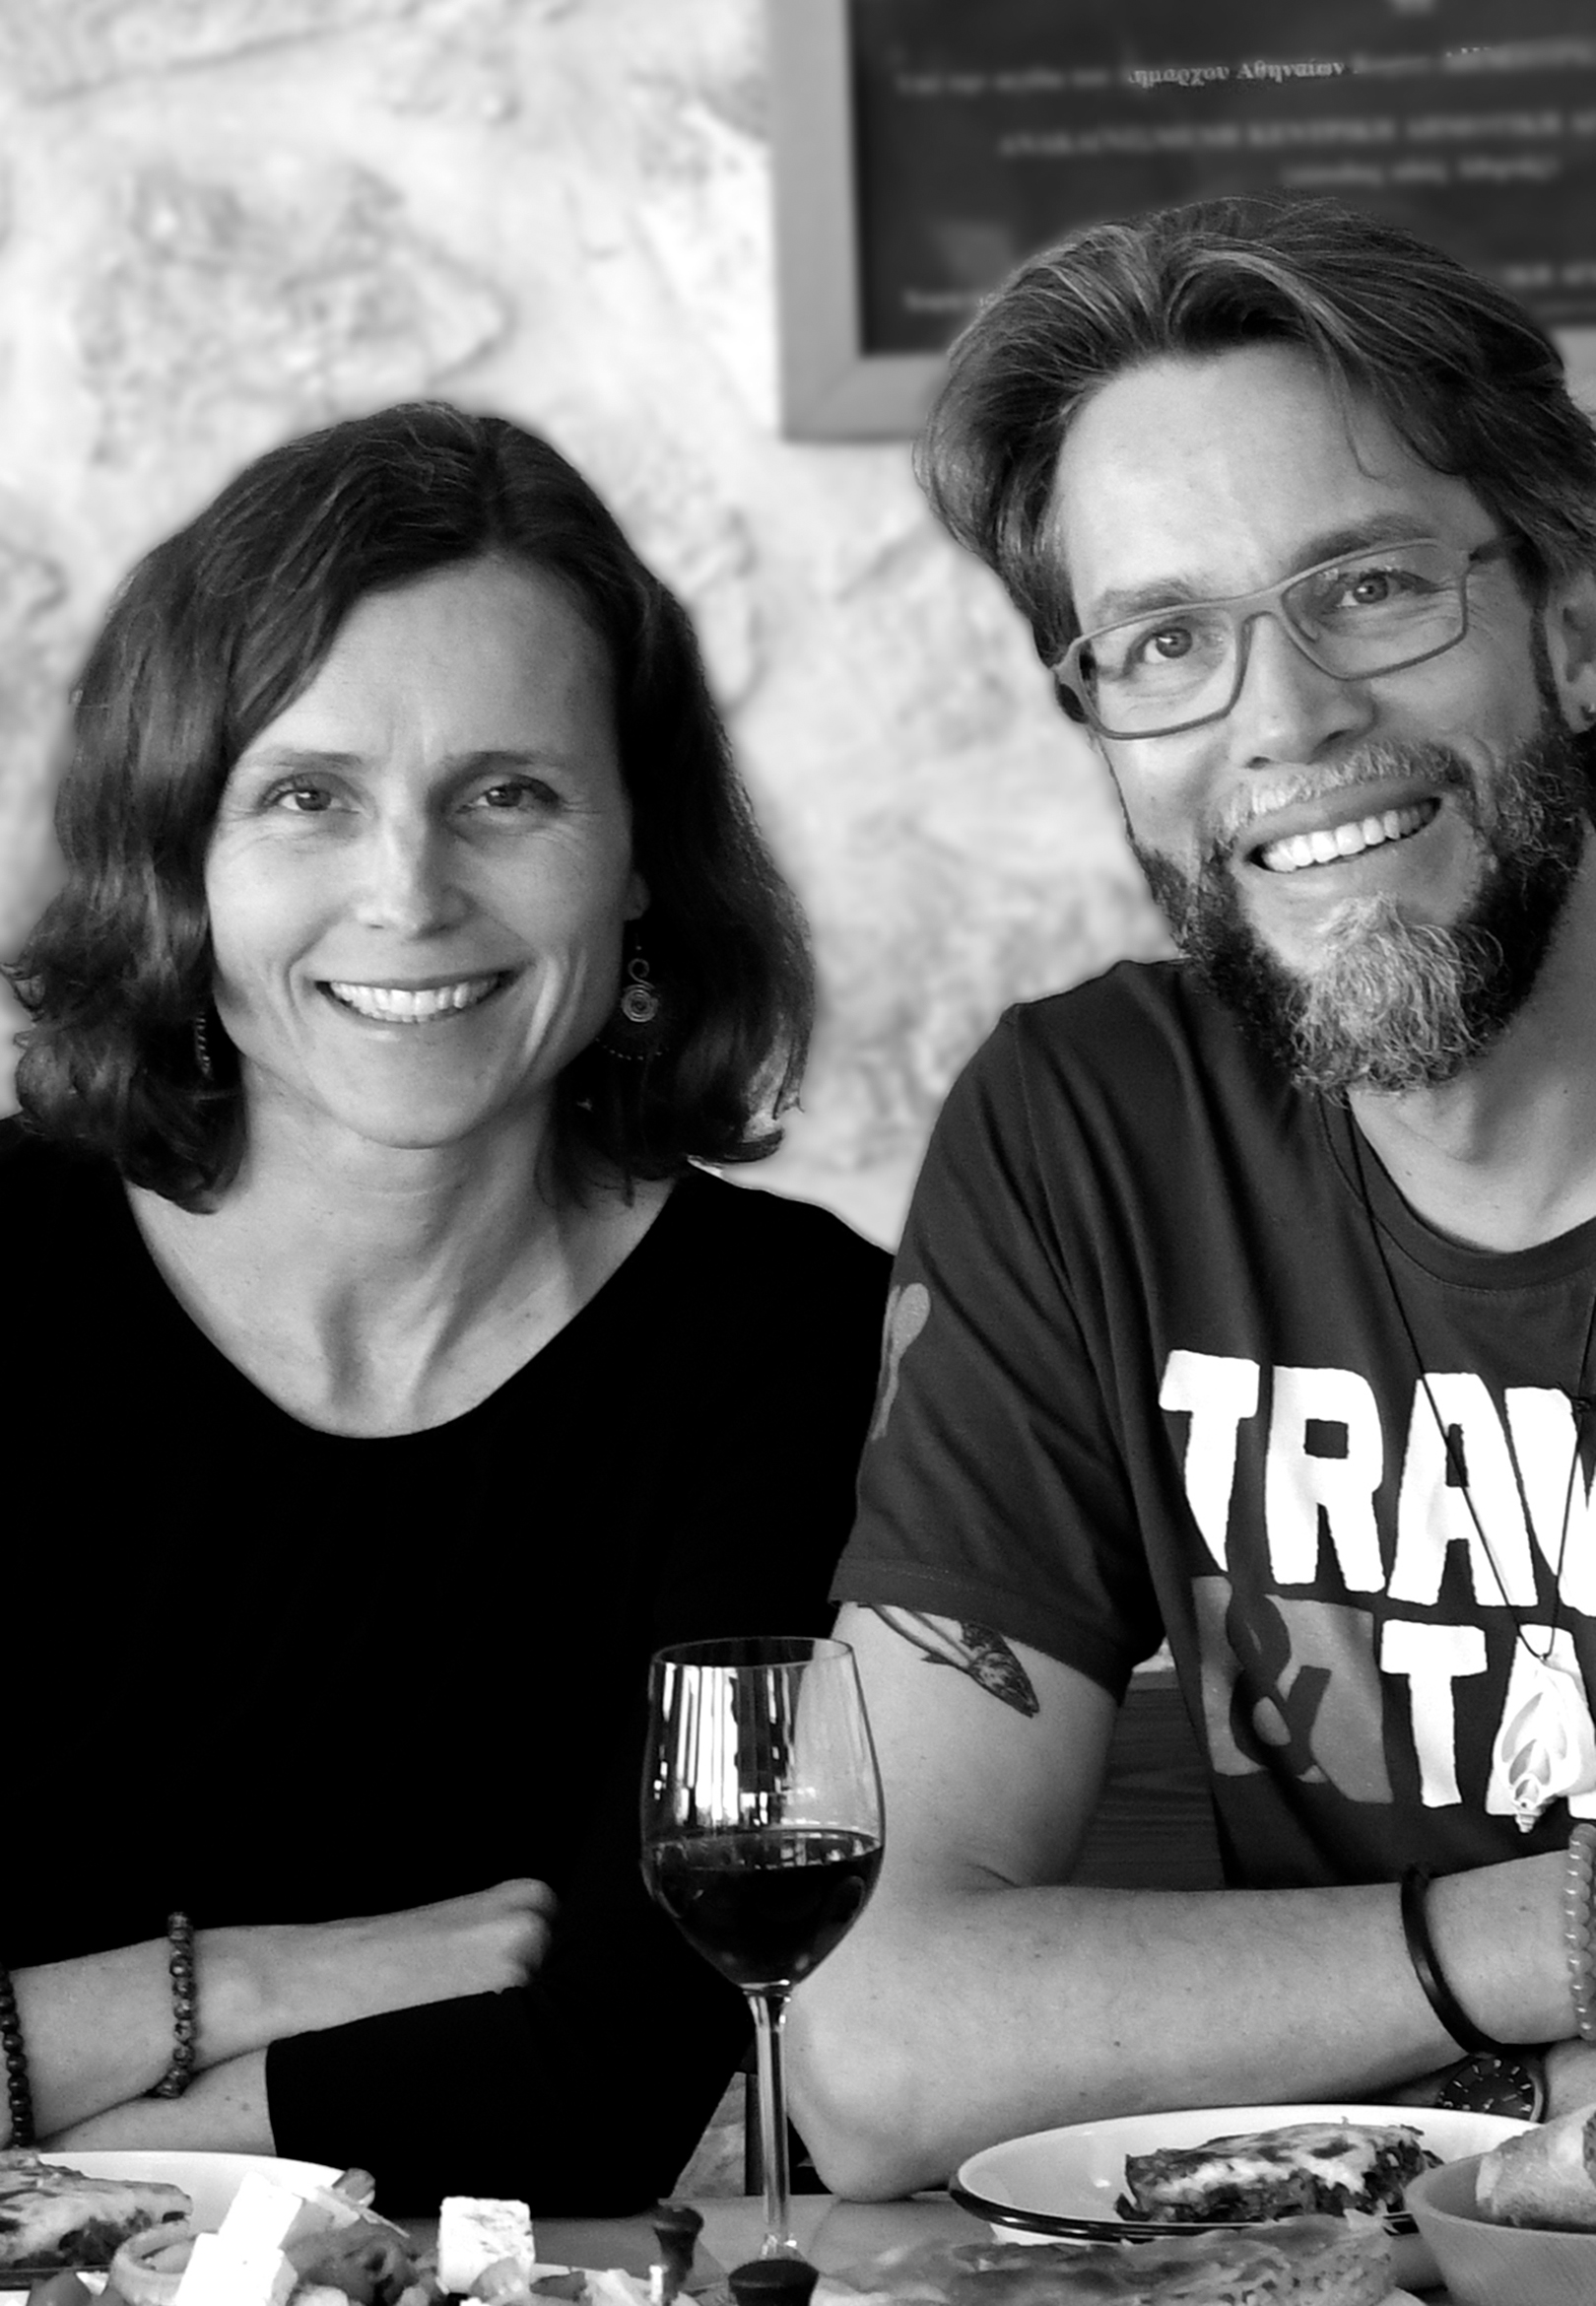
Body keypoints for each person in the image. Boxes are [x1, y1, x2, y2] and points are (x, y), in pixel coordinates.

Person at [783, 196, 1596, 2199]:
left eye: (1372, 587)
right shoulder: (1092, 1134)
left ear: (1571, 617)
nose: (1287, 719)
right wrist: (1541, 1939)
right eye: (1165, 643)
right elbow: (870, 2048)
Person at [2, 401, 889, 2210]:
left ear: (637, 857)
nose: (406, 893)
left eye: (509, 794)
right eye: (305, 796)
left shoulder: (791, 1344)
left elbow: (603, 2083)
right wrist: (261, 1984)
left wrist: (48, 2121)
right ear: (180, 856)